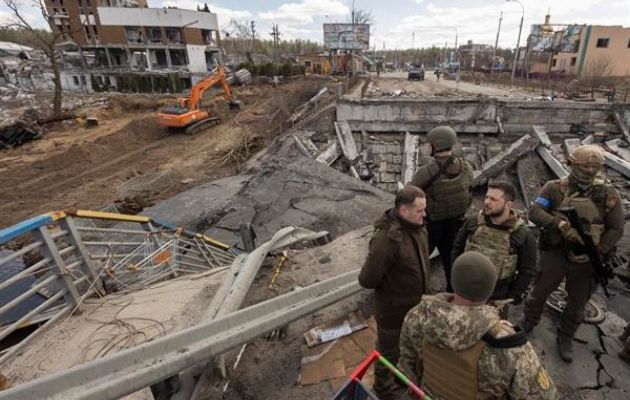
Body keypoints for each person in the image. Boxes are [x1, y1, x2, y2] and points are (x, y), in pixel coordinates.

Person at [398, 251, 559, 400]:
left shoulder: (416, 317)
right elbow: (544, 396)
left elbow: (407, 369)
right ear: (490, 290)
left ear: (454, 282)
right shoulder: (510, 347)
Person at [521, 145, 625, 363]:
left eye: (593, 168)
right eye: (583, 167)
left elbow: (616, 228)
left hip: (587, 259)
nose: (588, 172)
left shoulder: (608, 194)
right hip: (556, 252)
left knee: (578, 305)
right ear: (571, 165)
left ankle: (565, 337)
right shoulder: (554, 189)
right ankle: (528, 323)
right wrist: (560, 224)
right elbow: (535, 211)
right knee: (538, 293)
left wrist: (598, 250)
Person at [358, 185, 430, 399]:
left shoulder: (418, 227)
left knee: (407, 347)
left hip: (414, 306)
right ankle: (383, 389)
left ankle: (401, 379)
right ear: (403, 210)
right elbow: (367, 279)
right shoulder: (387, 240)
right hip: (393, 310)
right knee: (387, 352)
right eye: (420, 210)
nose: (424, 214)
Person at [452, 180, 537, 318]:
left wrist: (513, 296)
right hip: (464, 293)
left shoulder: (523, 235)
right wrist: (454, 279)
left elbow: (527, 270)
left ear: (508, 205)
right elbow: (457, 249)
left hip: (496, 299)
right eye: (486, 197)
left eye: (493, 199)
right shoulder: (473, 222)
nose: (486, 202)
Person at [410, 125, 473, 292]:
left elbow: (409, 194)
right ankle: (454, 294)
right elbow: (469, 190)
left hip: (432, 224)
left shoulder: (428, 171)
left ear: (435, 146)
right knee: (451, 260)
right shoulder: (466, 167)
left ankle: (417, 291)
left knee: (419, 259)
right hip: (456, 222)